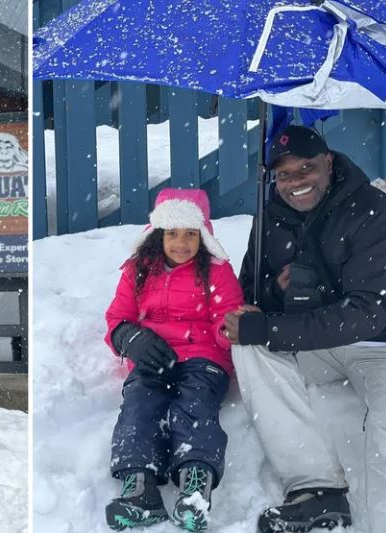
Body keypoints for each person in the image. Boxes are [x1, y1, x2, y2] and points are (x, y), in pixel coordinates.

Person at [224, 125, 386, 533]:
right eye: (284, 174)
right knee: (248, 346)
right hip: (317, 346)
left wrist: (270, 329)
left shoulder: (374, 212)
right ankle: (318, 491)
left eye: (306, 168)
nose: (296, 182)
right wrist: (271, 292)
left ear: (329, 163)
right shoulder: (268, 217)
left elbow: (366, 314)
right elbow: (251, 291)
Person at [103, 189, 244, 532]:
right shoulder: (139, 270)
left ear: (204, 235)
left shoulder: (216, 270)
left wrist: (231, 331)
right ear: (158, 234)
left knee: (195, 405)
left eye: (190, 234)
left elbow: (226, 315)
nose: (181, 243)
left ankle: (195, 486)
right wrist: (130, 338)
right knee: (139, 405)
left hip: (203, 356)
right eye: (172, 233)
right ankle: (139, 488)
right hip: (153, 356)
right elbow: (117, 317)